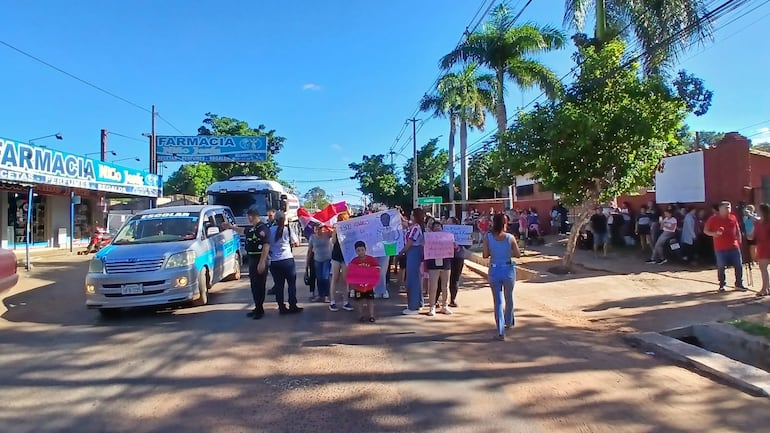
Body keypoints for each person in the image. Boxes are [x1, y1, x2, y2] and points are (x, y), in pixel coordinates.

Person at [223, 208, 270, 319]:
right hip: (252, 259)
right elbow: (242, 230)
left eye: (248, 217)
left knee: (259, 286)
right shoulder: (253, 228)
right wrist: (230, 227)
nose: (247, 219)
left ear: (252, 216)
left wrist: (262, 262)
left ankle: (260, 309)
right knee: (254, 285)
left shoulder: (262, 228)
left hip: (259, 259)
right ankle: (257, 307)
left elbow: (266, 245)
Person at [482, 213, 521, 341]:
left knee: (498, 301)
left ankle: (500, 331)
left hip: (494, 270)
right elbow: (518, 254)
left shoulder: (488, 237)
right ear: (505, 223)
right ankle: (509, 321)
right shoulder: (510, 237)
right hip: (508, 269)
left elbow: (485, 255)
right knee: (508, 297)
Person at [704, 201, 747, 292]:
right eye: (726, 207)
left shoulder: (733, 217)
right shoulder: (713, 219)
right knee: (721, 266)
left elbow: (737, 229)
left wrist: (739, 240)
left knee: (738, 265)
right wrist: (714, 234)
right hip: (720, 247)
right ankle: (722, 284)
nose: (728, 209)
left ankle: (739, 284)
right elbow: (706, 230)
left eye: (729, 207)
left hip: (734, 246)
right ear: (720, 209)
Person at [268, 211, 303, 314]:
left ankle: (281, 307)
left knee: (279, 286)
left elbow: (267, 245)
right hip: (287, 260)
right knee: (291, 284)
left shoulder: (270, 230)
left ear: (275, 219)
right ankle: (293, 305)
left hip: (275, 262)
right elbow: (296, 243)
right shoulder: (288, 230)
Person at [399, 208, 426, 315]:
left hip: (413, 252)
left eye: (412, 214)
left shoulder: (416, 228)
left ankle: (413, 306)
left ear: (415, 216)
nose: (410, 216)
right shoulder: (415, 226)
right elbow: (405, 223)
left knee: (412, 279)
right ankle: (418, 302)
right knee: (415, 278)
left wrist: (401, 252)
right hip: (414, 252)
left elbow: (410, 243)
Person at [425, 220, 452, 316]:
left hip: (446, 264)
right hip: (433, 264)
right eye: (435, 226)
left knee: (445, 286)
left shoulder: (448, 237)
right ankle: (432, 306)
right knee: (433, 286)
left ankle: (445, 306)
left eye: (439, 226)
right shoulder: (428, 238)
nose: (437, 228)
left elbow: (453, 247)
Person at [349, 240, 379, 322]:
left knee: (370, 300)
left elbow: (377, 269)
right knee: (359, 301)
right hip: (358, 286)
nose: (361, 252)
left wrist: (374, 280)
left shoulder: (371, 259)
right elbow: (351, 273)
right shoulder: (354, 261)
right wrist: (352, 285)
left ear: (365, 249)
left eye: (362, 250)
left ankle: (371, 315)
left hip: (369, 285)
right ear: (356, 251)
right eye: (358, 250)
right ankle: (361, 315)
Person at [330, 213, 354, 312]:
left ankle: (345, 301)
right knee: (335, 278)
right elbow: (333, 241)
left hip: (345, 256)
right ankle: (332, 302)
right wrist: (335, 232)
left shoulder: (350, 230)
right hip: (336, 256)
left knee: (345, 279)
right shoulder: (336, 229)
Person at [307, 225, 333, 303]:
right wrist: (307, 262)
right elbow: (309, 250)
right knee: (319, 278)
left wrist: (327, 226)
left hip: (326, 259)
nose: (319, 230)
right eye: (317, 229)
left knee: (325, 277)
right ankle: (320, 294)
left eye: (321, 228)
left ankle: (326, 295)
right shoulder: (312, 237)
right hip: (317, 259)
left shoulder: (327, 235)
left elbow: (334, 231)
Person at [447, 216, 466, 308]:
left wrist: (468, 239)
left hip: (458, 257)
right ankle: (439, 300)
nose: (448, 225)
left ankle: (452, 299)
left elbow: (468, 246)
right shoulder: (444, 232)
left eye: (450, 223)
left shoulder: (462, 233)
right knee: (442, 278)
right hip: (446, 256)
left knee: (455, 278)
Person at [753, 204, 770, 297]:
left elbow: (752, 235)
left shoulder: (758, 223)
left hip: (763, 246)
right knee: (765, 269)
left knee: (763, 269)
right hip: (765, 245)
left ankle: (764, 289)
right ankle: (767, 287)